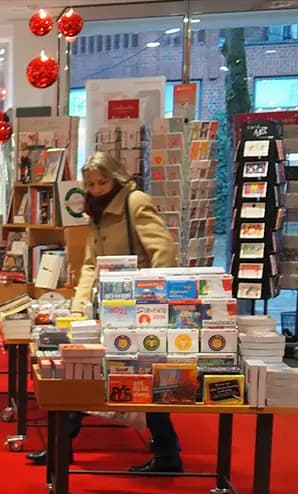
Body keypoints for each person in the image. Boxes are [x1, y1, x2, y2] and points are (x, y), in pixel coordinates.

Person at [26, 151, 182, 472]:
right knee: (84, 370)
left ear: (117, 177)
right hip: (108, 305)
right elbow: (88, 264)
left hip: (139, 306)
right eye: (92, 183)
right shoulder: (94, 210)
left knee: (145, 377)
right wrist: (78, 307)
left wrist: (152, 296)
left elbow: (162, 250)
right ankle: (61, 447)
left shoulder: (134, 202)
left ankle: (167, 453)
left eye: (103, 181)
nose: (97, 188)